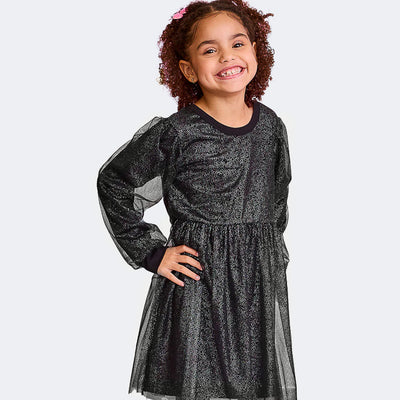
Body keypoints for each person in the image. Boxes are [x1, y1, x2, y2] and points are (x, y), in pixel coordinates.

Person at [96, 1, 297, 399]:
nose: (227, 57)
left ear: (256, 51)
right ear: (188, 69)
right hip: (197, 284)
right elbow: (115, 182)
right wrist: (152, 253)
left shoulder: (271, 126)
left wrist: (268, 252)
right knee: (196, 383)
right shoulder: (178, 132)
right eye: (209, 49)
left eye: (237, 44)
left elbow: (277, 195)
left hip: (255, 287)